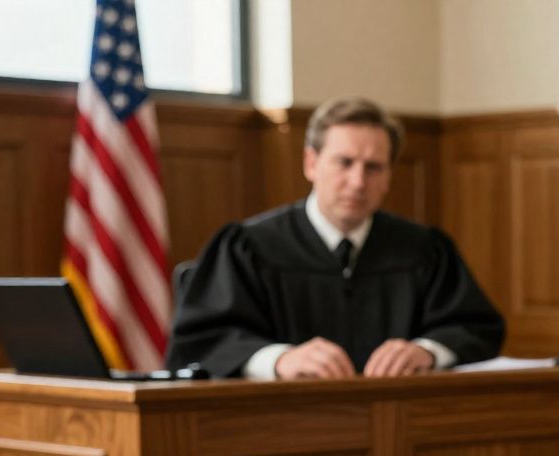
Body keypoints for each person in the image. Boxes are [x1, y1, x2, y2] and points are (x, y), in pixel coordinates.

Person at [166, 97, 504, 378]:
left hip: (401, 425)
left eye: (374, 167)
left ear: (388, 176)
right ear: (311, 163)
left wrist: (426, 351)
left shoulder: (424, 250)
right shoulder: (249, 247)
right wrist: (279, 360)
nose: (358, 182)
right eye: (344, 162)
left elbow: (477, 328)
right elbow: (202, 341)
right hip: (278, 429)